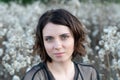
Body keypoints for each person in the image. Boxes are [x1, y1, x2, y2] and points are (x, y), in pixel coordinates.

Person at [22, 9, 99, 80]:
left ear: (75, 39)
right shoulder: (34, 77)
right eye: (49, 39)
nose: (57, 46)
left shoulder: (89, 73)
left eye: (64, 37)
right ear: (42, 43)